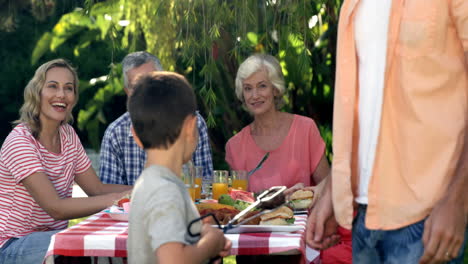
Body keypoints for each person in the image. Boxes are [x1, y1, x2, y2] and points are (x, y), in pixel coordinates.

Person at [307, 0, 468, 263]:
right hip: (366, 218)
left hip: (428, 215)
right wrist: (333, 191)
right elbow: (363, 102)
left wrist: (458, 200)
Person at [0, 59, 132, 264]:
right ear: (37, 93)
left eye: (68, 88)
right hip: (12, 245)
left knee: (112, 248)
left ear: (74, 97)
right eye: (52, 86)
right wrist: (121, 199)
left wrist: (144, 189)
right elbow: (56, 207)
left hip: (51, 240)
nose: (61, 94)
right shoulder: (20, 142)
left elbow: (96, 189)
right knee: (82, 251)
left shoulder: (68, 135)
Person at [225, 53, 350, 264]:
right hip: (256, 246)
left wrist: (304, 197)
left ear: (275, 89)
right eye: (248, 88)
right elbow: (240, 205)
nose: (255, 95)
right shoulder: (235, 146)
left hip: (302, 241)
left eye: (262, 86)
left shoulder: (305, 129)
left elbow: (328, 186)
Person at [126, 71, 231, 263]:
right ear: (191, 127)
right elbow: (173, 260)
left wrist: (198, 239)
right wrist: (211, 243)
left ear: (135, 136)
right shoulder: (165, 190)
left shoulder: (149, 183)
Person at [99, 51, 213, 185]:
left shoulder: (193, 123)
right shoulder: (115, 133)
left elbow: (206, 184)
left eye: (152, 85)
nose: (146, 93)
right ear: (127, 92)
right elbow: (110, 194)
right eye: (137, 87)